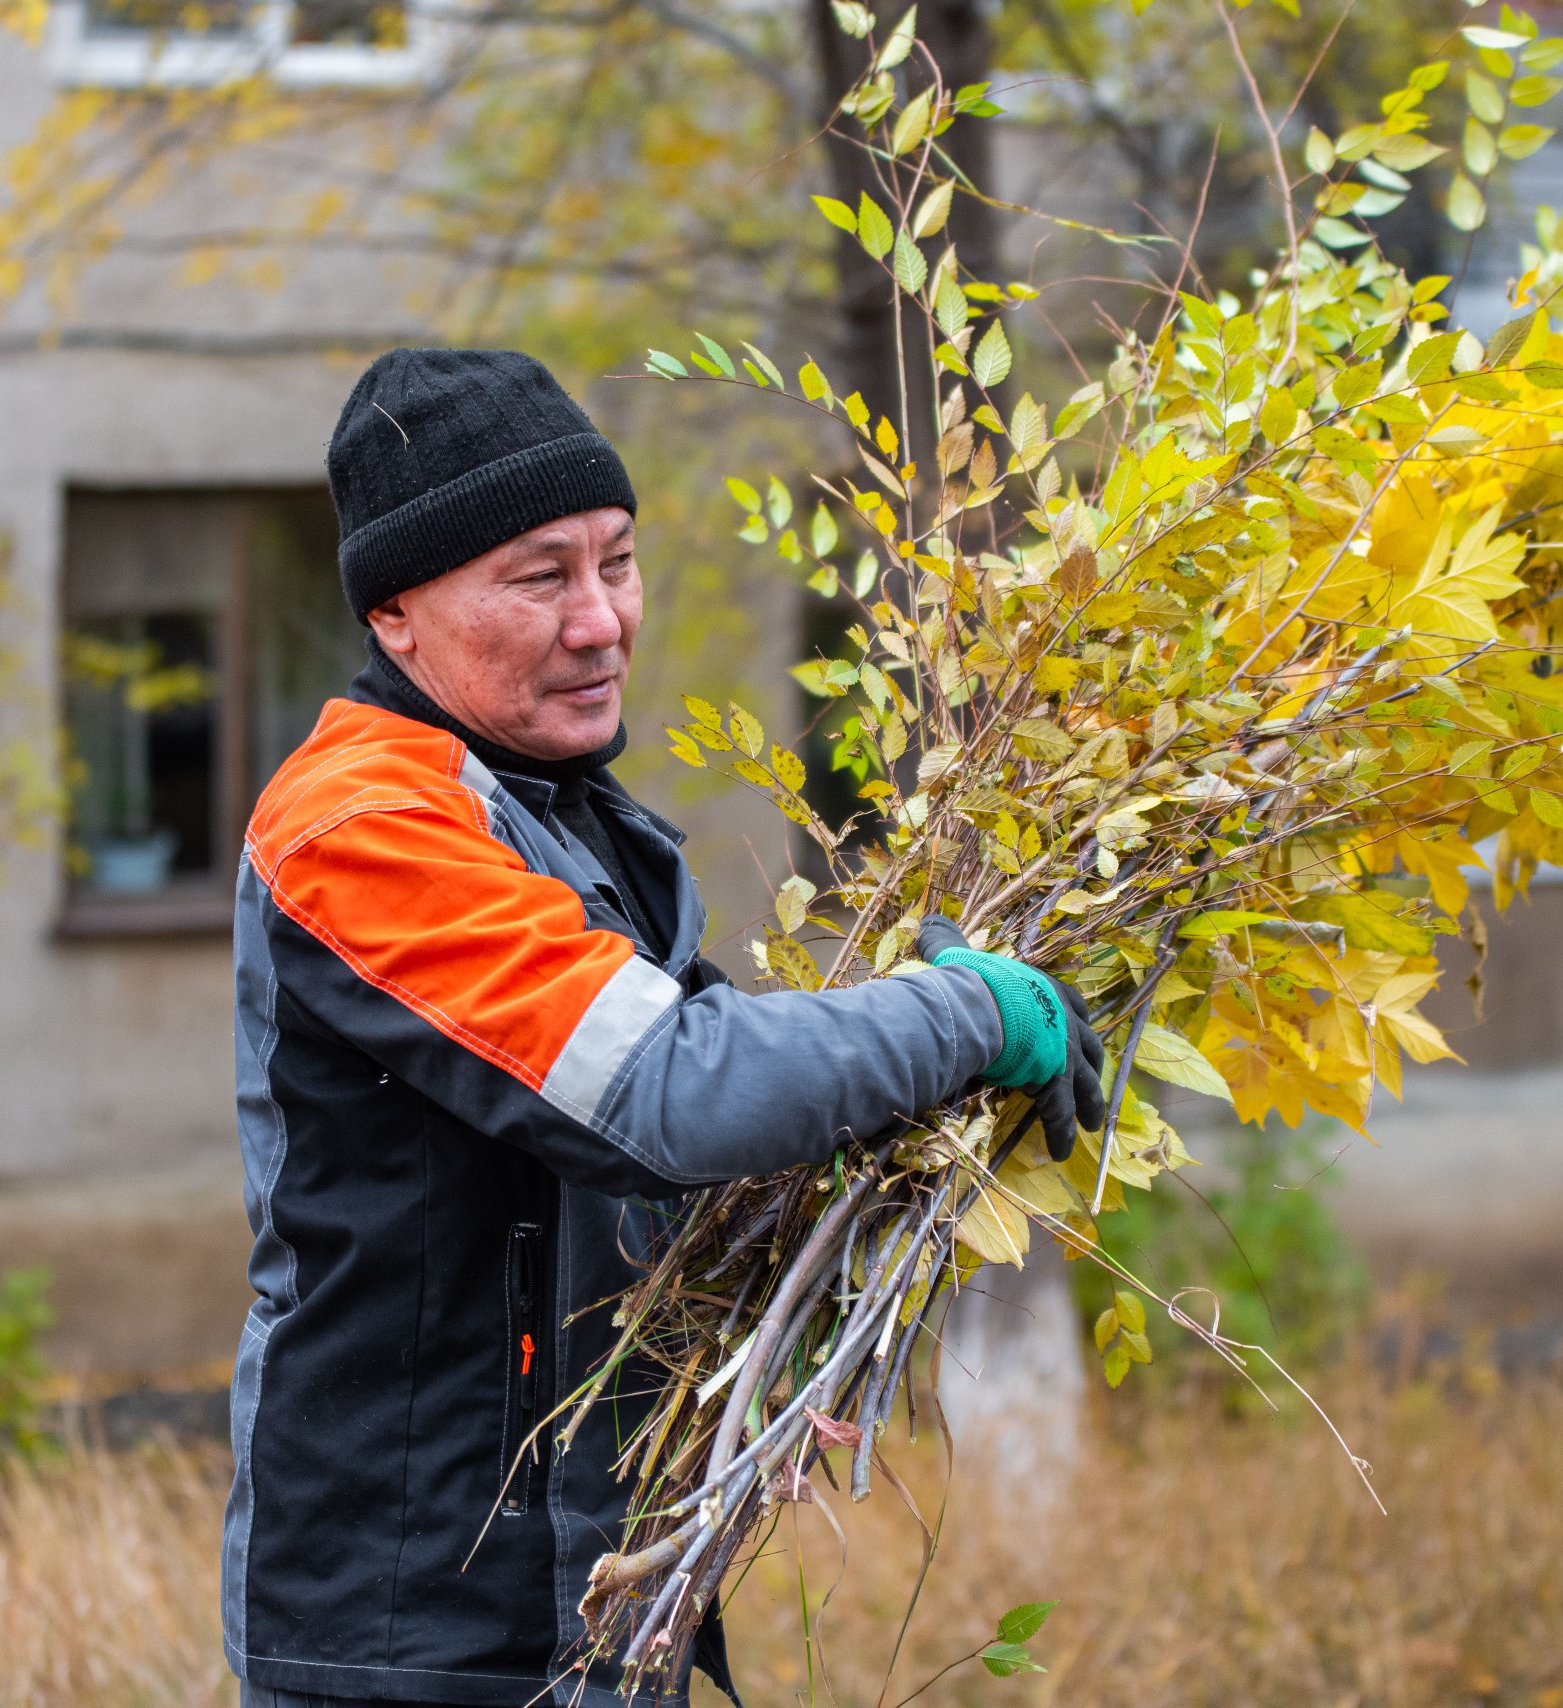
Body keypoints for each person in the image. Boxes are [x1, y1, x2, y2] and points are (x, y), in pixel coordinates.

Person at [222, 348, 1104, 1708]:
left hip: (595, 1605)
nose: (601, 623)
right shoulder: (362, 826)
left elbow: (681, 1163)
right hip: (410, 1641)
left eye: (618, 563)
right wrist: (967, 1013)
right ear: (395, 612)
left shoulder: (562, 811)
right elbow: (672, 1095)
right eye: (540, 578)